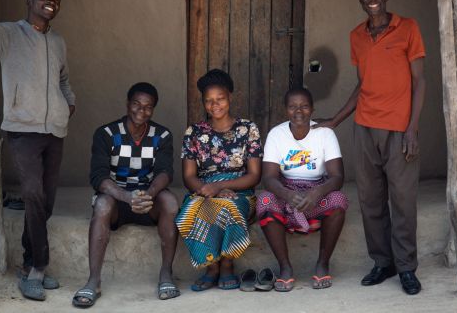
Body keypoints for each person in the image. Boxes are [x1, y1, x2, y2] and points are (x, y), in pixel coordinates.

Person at [315, 0, 426, 295]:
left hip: (399, 129)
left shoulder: (408, 28)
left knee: (402, 200)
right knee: (370, 199)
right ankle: (382, 262)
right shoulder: (357, 36)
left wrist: (413, 128)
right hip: (364, 127)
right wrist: (336, 120)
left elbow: (420, 82)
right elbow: (363, 84)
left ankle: (406, 267)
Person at [0, 0, 76, 301]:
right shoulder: (8, 34)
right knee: (33, 194)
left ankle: (26, 263)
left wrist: (69, 103)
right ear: (29, 1)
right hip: (22, 130)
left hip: (55, 131)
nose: (51, 2)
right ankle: (37, 268)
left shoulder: (59, 41)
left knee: (45, 201)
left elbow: (63, 79)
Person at [72, 82, 179, 308]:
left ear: (154, 109)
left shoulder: (162, 135)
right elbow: (98, 177)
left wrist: (146, 195)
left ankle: (166, 273)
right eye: (136, 104)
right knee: (101, 205)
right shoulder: (107, 134)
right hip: (117, 202)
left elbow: (165, 173)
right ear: (127, 104)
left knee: (170, 202)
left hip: (148, 201)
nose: (141, 111)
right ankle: (94, 280)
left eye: (148, 107)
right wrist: (126, 197)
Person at [175, 69, 262, 291]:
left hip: (239, 192)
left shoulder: (247, 129)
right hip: (203, 190)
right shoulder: (193, 133)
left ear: (230, 97)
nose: (215, 105)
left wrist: (221, 186)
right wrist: (210, 189)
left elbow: (254, 175)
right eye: (209, 101)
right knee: (191, 210)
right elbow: (188, 177)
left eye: (220, 99)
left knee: (227, 207)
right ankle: (211, 266)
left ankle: (226, 266)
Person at [257, 87, 347, 291]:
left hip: (316, 192)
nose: (299, 111)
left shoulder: (325, 133)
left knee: (338, 200)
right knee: (264, 201)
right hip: (286, 192)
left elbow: (338, 177)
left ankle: (323, 264)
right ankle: (285, 268)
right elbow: (269, 178)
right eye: (293, 107)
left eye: (304, 106)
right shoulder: (276, 134)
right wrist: (288, 194)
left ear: (313, 109)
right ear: (285, 110)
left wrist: (317, 193)